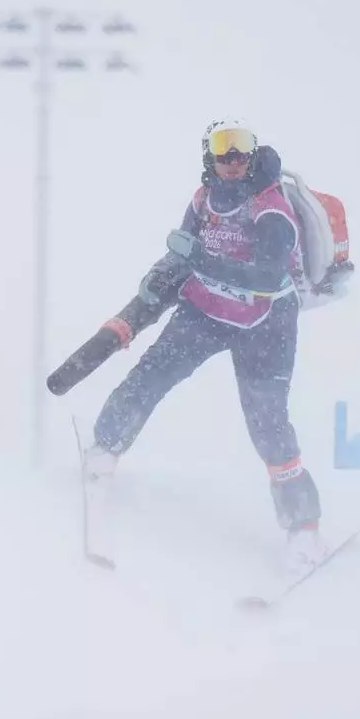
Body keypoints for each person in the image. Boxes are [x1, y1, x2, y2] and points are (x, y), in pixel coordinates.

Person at [82, 117, 326, 565]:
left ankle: (303, 526)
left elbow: (268, 279)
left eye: (240, 148)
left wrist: (202, 260)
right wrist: (153, 290)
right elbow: (182, 254)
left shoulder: (270, 208)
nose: (232, 159)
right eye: (222, 148)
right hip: (205, 312)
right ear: (208, 155)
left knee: (268, 423)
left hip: (265, 324)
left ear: (252, 153)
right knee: (150, 376)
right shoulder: (203, 201)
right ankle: (102, 452)